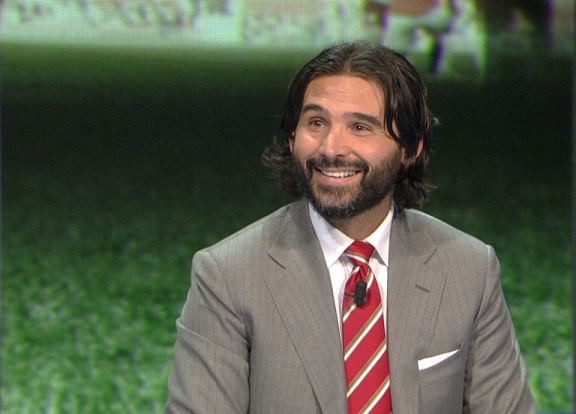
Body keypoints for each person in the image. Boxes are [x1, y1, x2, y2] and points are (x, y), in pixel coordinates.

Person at [165, 42, 537, 413]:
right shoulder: (228, 276)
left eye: (360, 127)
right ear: (292, 138)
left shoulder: (469, 270)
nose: (331, 148)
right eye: (316, 123)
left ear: (410, 149)